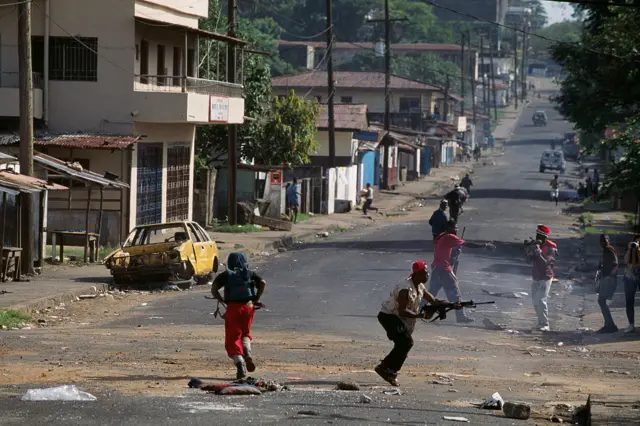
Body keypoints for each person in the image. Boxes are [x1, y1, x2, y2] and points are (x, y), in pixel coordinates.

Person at [376, 261, 451, 386]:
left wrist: (453, 305)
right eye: (425, 272)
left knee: (404, 344)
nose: (427, 275)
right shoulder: (405, 288)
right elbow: (402, 311)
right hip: (389, 317)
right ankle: (387, 369)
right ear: (417, 273)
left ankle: (386, 368)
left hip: (398, 319)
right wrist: (421, 315)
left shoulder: (420, 286)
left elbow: (433, 301)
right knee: (406, 342)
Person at [211, 252, 267, 379]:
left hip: (233, 308)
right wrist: (256, 298)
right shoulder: (249, 273)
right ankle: (248, 354)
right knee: (245, 333)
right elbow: (263, 282)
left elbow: (213, 289)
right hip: (248, 307)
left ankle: (240, 363)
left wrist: (221, 299)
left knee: (233, 338)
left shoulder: (225, 275)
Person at [429, 220, 496, 323]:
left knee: (430, 294)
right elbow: (468, 244)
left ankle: (417, 309)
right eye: (455, 227)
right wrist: (484, 245)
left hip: (436, 268)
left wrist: (455, 252)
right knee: (454, 292)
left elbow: (444, 251)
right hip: (444, 269)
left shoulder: (441, 235)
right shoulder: (450, 236)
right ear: (449, 228)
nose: (456, 229)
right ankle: (460, 316)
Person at [529, 225, 557, 332]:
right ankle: (540, 323)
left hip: (545, 277)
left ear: (545, 237)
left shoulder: (550, 248)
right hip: (536, 276)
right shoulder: (538, 246)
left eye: (539, 235)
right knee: (535, 302)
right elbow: (529, 260)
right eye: (536, 235)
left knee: (541, 300)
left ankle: (545, 324)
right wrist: (530, 251)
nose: (537, 237)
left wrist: (539, 253)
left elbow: (547, 264)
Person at [597, 234, 619, 333]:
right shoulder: (606, 250)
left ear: (608, 241)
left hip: (609, 279)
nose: (604, 242)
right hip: (606, 278)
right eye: (603, 240)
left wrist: (609, 276)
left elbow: (615, 265)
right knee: (602, 301)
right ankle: (609, 324)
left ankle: (610, 325)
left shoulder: (609, 250)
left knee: (601, 301)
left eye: (605, 240)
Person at [623, 235, 640, 334]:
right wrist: (630, 249)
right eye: (636, 242)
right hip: (630, 277)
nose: (637, 244)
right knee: (629, 301)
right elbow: (625, 261)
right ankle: (631, 325)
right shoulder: (631, 249)